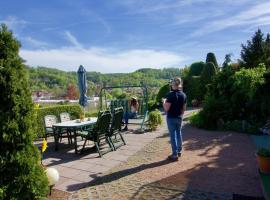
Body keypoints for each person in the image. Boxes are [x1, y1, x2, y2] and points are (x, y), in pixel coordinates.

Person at [163, 77, 187, 161]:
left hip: (171, 118)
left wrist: (163, 101)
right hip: (179, 117)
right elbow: (184, 108)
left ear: (173, 84)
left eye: (171, 83)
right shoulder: (183, 95)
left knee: (173, 136)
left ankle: (174, 154)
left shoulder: (170, 95)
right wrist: (180, 115)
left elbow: (166, 108)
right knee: (178, 133)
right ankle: (179, 151)